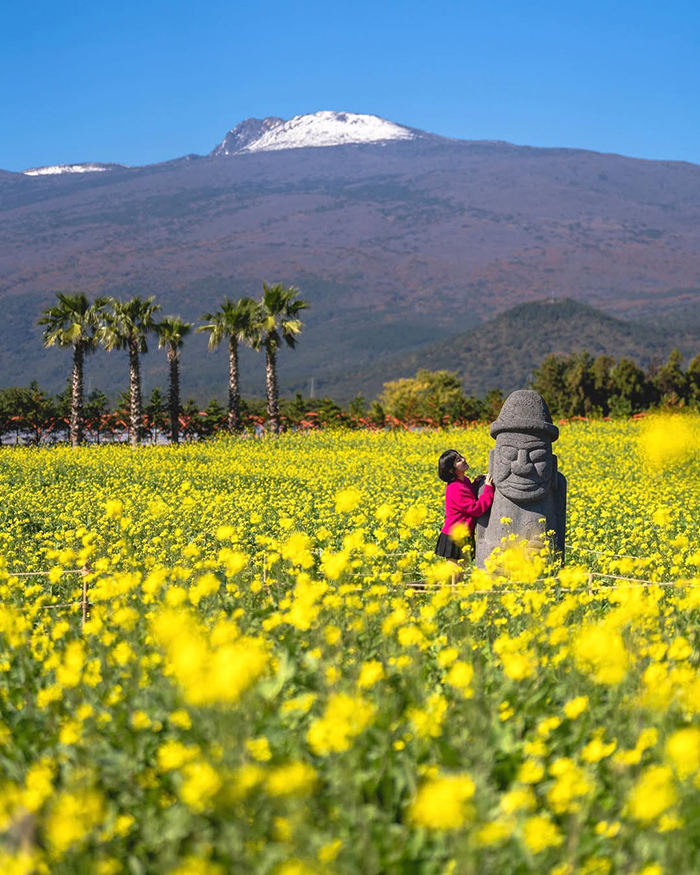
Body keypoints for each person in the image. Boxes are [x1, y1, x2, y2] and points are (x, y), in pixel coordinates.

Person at [435, 449, 495, 571]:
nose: (463, 459)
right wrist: (488, 489)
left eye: (461, 456)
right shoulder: (455, 488)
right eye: (458, 460)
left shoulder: (464, 480)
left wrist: (476, 483)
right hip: (454, 535)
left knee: (461, 570)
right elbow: (476, 509)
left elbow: (469, 495)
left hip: (463, 533)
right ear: (452, 470)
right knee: (455, 573)